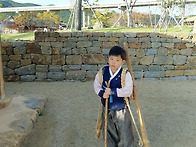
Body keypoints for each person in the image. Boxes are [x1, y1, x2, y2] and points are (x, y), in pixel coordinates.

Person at [94, 46, 134, 147]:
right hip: (107, 107)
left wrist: (113, 91)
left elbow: (128, 91)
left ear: (122, 62)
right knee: (109, 129)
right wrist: (102, 93)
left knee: (124, 130)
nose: (113, 62)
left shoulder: (125, 74)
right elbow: (97, 85)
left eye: (117, 60)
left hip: (121, 108)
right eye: (111, 59)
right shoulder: (103, 72)